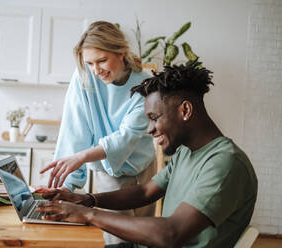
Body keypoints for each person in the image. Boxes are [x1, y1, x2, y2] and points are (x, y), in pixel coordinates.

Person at [36, 63, 258, 248]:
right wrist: (87, 200)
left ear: (185, 111)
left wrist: (87, 214)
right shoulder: (186, 153)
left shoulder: (225, 163)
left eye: (154, 117)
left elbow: (171, 233)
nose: (149, 129)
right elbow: (144, 192)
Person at [36, 21, 157, 245]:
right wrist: (67, 184)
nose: (96, 70)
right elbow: (75, 128)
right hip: (109, 172)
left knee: (143, 237)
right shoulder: (85, 76)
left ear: (121, 52)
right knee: (116, 239)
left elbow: (125, 138)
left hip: (143, 167)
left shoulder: (147, 84)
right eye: (90, 63)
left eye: (102, 60)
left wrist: (81, 157)